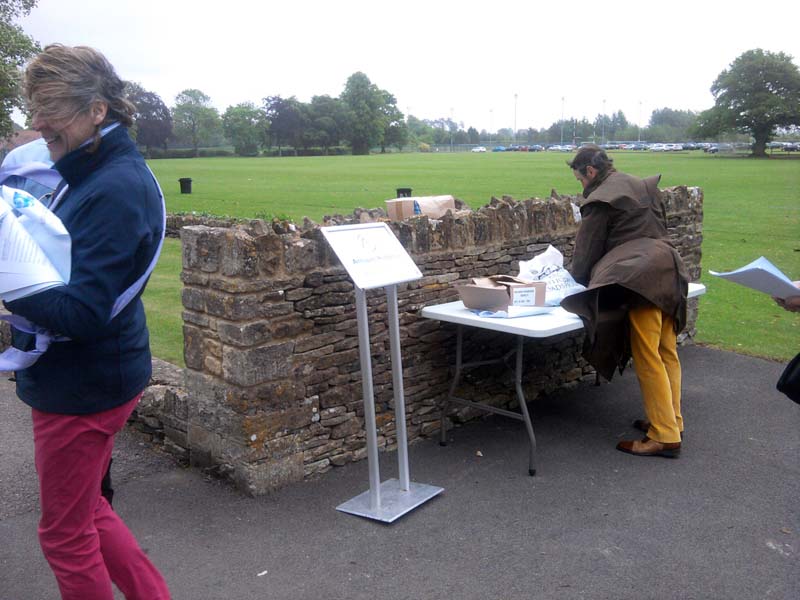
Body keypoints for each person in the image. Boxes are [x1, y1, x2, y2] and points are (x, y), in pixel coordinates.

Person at [4, 44, 170, 599]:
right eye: (34, 105)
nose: (37, 121)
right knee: (89, 508)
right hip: (98, 374)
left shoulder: (114, 187)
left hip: (82, 386)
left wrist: (9, 294)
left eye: (51, 105)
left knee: (64, 535)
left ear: (98, 110)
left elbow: (80, 314)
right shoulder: (92, 168)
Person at [561, 145, 689, 458]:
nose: (581, 185)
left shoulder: (600, 199)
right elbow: (660, 228)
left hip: (639, 280)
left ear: (590, 172)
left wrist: (571, 286)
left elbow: (585, 255)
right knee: (666, 350)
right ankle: (671, 419)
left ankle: (664, 435)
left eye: (579, 179)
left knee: (648, 355)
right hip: (669, 269)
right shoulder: (644, 186)